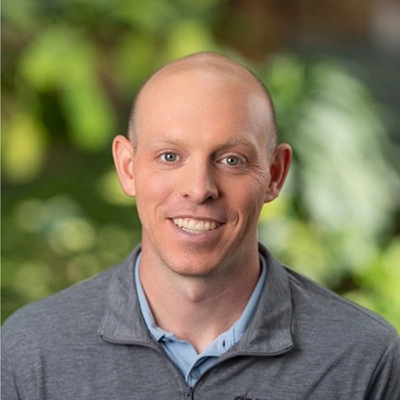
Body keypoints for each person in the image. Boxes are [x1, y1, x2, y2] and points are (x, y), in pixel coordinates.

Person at [2, 52, 399, 400]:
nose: (199, 190)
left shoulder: (365, 360)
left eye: (231, 160)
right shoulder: (32, 352)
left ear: (275, 174)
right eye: (170, 155)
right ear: (127, 167)